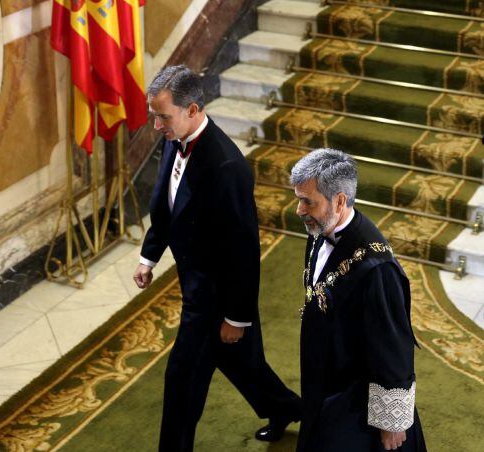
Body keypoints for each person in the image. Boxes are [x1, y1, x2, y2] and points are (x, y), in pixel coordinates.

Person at [132, 65, 301, 452]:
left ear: (192, 109)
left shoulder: (227, 166)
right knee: (244, 366)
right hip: (195, 283)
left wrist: (235, 316)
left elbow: (243, 249)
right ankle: (289, 408)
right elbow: (167, 206)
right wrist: (149, 257)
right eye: (154, 116)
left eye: (163, 116)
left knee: (181, 382)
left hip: (216, 298)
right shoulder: (172, 137)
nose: (156, 126)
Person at [289, 149, 427, 451]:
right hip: (327, 377)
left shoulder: (377, 269)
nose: (299, 209)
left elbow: (393, 345)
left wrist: (391, 423)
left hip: (355, 400)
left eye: (307, 201)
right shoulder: (319, 227)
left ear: (339, 201)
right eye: (298, 198)